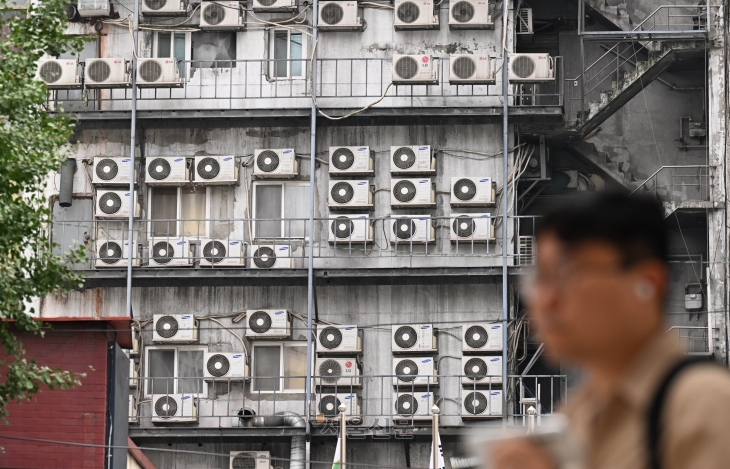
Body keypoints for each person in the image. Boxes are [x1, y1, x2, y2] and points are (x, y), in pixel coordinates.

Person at [491, 192, 730, 469]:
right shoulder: (576, 417)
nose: (545, 300)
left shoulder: (704, 405)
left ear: (647, 283)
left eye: (565, 273)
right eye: (538, 279)